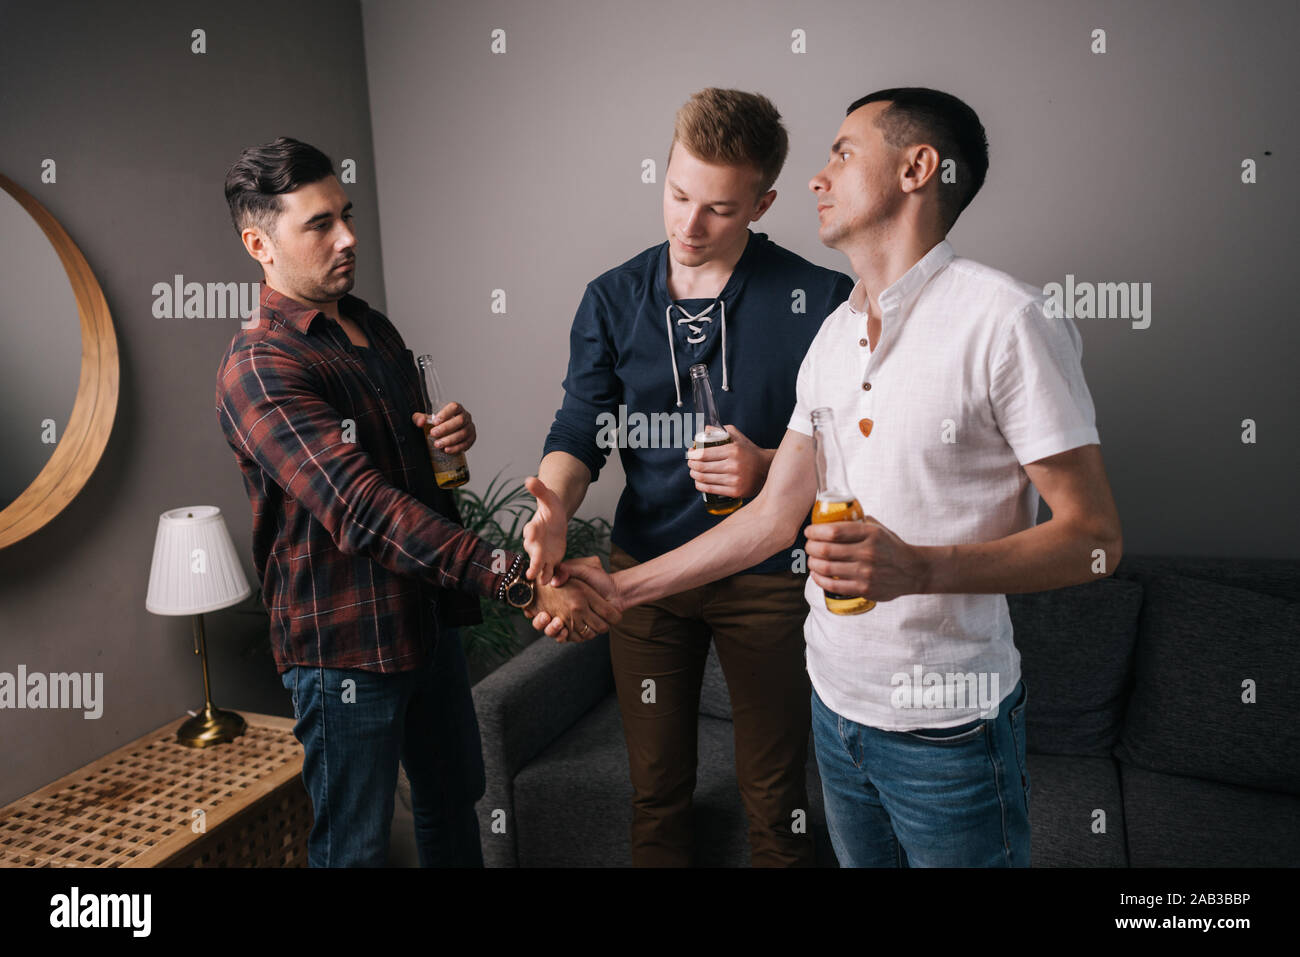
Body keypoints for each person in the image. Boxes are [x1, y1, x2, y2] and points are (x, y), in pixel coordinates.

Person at [539, 88, 1123, 868]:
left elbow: (1096, 543)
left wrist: (920, 566)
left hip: (947, 726)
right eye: (678, 196)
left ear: (917, 168)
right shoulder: (837, 334)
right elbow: (773, 518)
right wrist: (622, 588)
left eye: (843, 153)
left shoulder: (1007, 320)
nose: (820, 176)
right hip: (836, 712)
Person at [214, 137, 617, 867]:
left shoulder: (372, 325)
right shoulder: (259, 365)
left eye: (347, 214)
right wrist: (515, 576)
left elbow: (420, 475)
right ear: (258, 243)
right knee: (355, 849)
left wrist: (448, 444)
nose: (349, 237)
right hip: (343, 653)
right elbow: (361, 507)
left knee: (451, 801)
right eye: (319, 224)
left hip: (424, 622)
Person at [523, 89, 855, 867]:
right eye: (677, 195)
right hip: (645, 574)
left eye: (719, 209)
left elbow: (862, 450)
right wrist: (554, 503)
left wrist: (769, 465)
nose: (688, 225)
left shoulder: (822, 300)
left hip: (771, 578)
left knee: (776, 799)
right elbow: (581, 430)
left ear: (764, 202)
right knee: (656, 792)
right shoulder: (610, 298)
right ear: (666, 170)